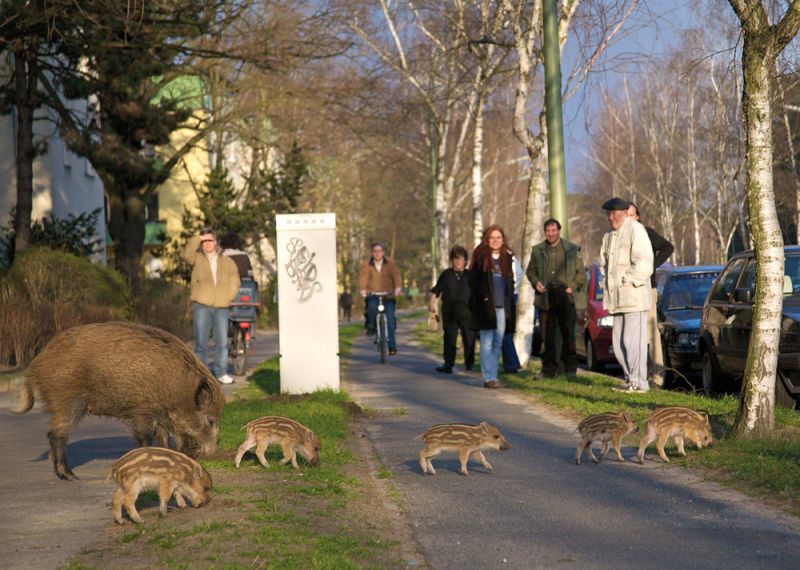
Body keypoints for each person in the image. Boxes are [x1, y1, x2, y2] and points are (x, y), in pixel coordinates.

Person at [600, 197, 654, 393]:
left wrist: (628, 281)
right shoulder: (608, 236)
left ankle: (640, 383)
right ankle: (630, 378)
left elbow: (644, 262)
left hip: (634, 297)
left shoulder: (635, 230)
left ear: (624, 213)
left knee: (633, 341)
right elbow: (605, 267)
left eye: (614, 214)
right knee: (619, 342)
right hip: (616, 300)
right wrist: (605, 285)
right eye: (609, 214)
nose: (611, 218)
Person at [526, 218, 586, 378]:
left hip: (565, 296)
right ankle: (548, 370)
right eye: (548, 231)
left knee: (568, 334)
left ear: (559, 231)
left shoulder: (572, 250)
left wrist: (571, 287)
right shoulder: (537, 250)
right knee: (547, 336)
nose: (551, 234)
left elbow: (581, 275)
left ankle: (570, 370)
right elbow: (530, 271)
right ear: (544, 232)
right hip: (545, 296)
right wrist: (536, 282)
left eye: (554, 230)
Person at [182, 227, 241, 384]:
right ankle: (201, 376)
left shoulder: (228, 262)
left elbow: (235, 281)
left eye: (209, 240)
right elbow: (186, 255)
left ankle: (221, 373)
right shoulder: (197, 258)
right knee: (201, 343)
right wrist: (198, 238)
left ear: (215, 241)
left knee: (221, 343)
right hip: (202, 305)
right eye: (204, 241)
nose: (207, 244)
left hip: (221, 307)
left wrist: (228, 296)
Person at [627, 202, 675, 386]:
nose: (629, 219)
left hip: (648, 287)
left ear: (638, 216)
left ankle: (657, 375)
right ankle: (636, 373)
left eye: (632, 215)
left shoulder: (646, 232)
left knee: (650, 330)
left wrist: (651, 265)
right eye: (626, 215)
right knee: (632, 333)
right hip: (629, 290)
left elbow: (668, 247)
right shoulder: (621, 236)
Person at [469, 225, 517, 389]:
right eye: (492, 238)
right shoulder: (480, 256)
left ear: (503, 240)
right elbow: (473, 280)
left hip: (502, 307)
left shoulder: (507, 257)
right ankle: (488, 377)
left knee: (498, 342)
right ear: (487, 239)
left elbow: (510, 282)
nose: (495, 241)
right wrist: (482, 297)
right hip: (485, 307)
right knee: (486, 343)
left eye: (499, 238)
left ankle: (493, 375)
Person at [428, 245, 475, 374]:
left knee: (469, 338)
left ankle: (469, 364)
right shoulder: (446, 274)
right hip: (449, 312)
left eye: (461, 259)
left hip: (467, 312)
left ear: (465, 260)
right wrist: (431, 303)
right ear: (452, 260)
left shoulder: (470, 275)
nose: (458, 261)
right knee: (449, 339)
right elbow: (436, 290)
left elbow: (478, 293)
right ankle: (448, 364)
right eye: (455, 259)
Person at [358, 242, 403, 355]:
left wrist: (397, 288)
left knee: (390, 319)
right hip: (373, 294)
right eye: (375, 251)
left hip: (388, 295)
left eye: (379, 251)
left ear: (383, 252)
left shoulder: (390, 264)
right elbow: (363, 277)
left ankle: (392, 347)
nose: (377, 253)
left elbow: (396, 276)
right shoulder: (367, 265)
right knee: (372, 307)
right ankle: (372, 325)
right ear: (372, 253)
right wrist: (363, 289)